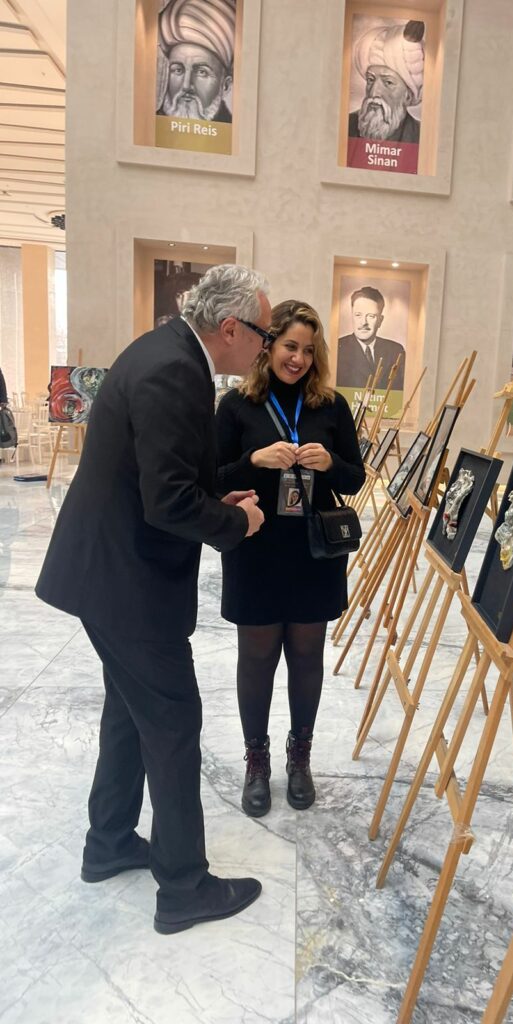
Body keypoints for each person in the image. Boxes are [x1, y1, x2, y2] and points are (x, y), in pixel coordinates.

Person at [35, 264, 272, 935]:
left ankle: (109, 841)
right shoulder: (174, 369)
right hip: (126, 582)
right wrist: (237, 522)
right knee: (171, 722)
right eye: (264, 334)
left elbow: (162, 475)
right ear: (231, 329)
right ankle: (184, 886)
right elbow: (167, 501)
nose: (265, 347)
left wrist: (216, 497)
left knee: (129, 712)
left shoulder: (168, 352)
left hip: (110, 575)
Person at [215, 300, 365, 818]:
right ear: (268, 345)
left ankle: (299, 757)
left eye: (308, 349)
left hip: (313, 553)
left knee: (306, 656)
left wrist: (331, 462)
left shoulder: (331, 406)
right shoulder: (237, 406)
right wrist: (253, 459)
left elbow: (355, 478)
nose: (298, 358)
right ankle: (256, 761)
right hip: (255, 549)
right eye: (289, 346)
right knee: (256, 658)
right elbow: (211, 478)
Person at [156, 0, 236, 123]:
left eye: (201, 72)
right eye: (178, 70)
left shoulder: (235, 132)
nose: (186, 86)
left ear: (225, 86)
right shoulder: (151, 125)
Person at [348, 20, 425, 143]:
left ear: (408, 97)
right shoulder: (347, 126)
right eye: (370, 80)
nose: (374, 93)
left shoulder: (422, 137)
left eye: (388, 83)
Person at [336, 286, 405, 391]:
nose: (364, 322)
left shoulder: (395, 351)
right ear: (352, 316)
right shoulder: (338, 349)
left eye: (371, 316)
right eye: (358, 315)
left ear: (380, 320)